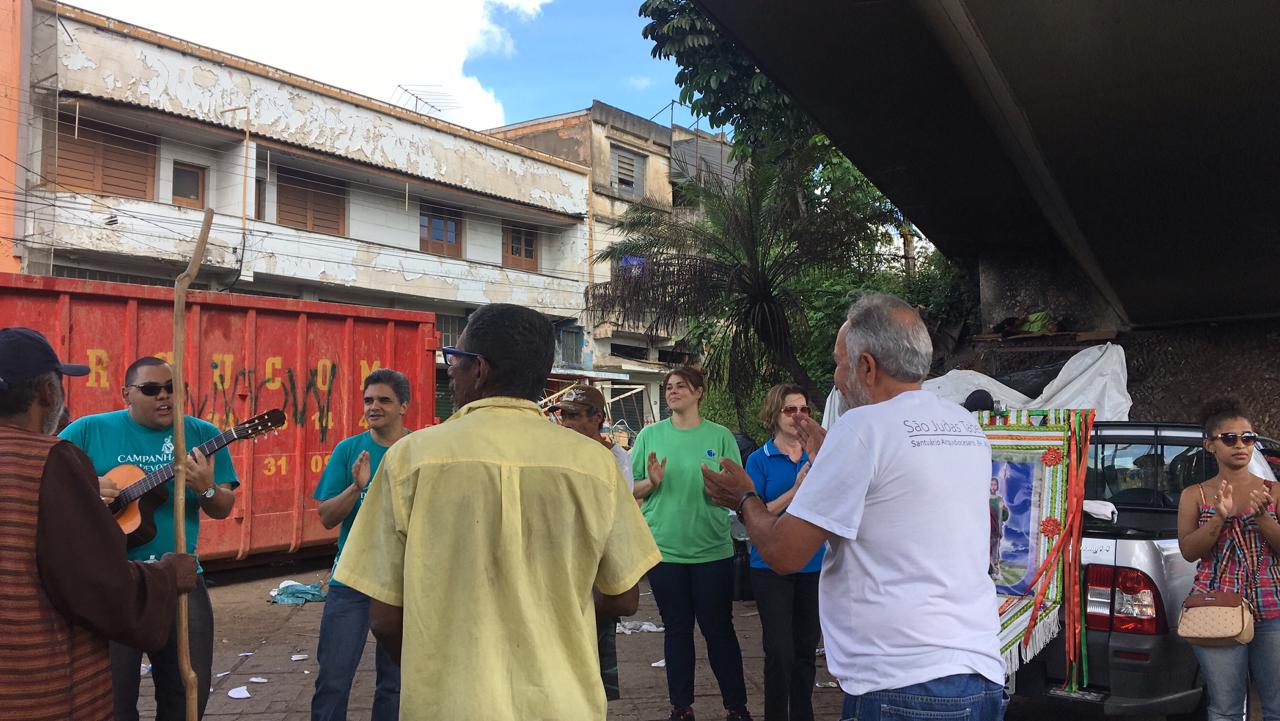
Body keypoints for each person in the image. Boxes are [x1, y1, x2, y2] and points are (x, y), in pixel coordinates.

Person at [334, 303, 660, 721]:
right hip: (564, 703)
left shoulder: (410, 460)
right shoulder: (594, 465)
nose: (449, 370)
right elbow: (624, 597)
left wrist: (435, 668)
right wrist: (552, 621)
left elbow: (383, 617)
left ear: (480, 370)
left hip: (446, 705)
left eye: (456, 360)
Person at [703, 293, 1006, 721]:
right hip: (979, 674)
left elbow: (784, 554)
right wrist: (831, 460)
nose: (836, 375)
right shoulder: (963, 426)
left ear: (867, 366)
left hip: (899, 685)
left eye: (840, 361)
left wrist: (744, 496)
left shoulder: (862, 428)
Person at [0, 327, 197, 721]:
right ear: (45, 393)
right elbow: (99, 586)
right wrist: (167, 575)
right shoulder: (51, 460)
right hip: (37, 689)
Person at [60, 355, 240, 721]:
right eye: (151, 389)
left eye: (173, 388)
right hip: (113, 584)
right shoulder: (87, 430)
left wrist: (205, 489)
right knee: (111, 699)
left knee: (187, 697)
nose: (165, 396)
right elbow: (49, 479)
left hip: (181, 582)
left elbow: (222, 507)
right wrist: (89, 488)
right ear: (126, 393)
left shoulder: (202, 435)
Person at [631, 365, 751, 721]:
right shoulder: (649, 436)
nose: (673, 392)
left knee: (719, 629)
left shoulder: (720, 437)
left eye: (681, 386)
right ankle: (681, 707)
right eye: (669, 387)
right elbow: (630, 489)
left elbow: (738, 490)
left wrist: (722, 492)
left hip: (712, 549)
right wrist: (651, 482)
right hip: (666, 549)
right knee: (677, 630)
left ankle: (737, 706)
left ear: (699, 392)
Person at [310, 369, 410, 721]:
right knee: (334, 679)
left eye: (384, 400)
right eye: (369, 400)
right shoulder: (349, 450)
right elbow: (326, 516)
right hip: (350, 581)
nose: (374, 407)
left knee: (395, 684)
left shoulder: (418, 451)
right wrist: (356, 487)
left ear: (403, 407)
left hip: (401, 583)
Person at [1176, 398, 1280, 721]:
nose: (1241, 445)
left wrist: (1263, 518)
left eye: (1248, 438)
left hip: (1272, 604)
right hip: (1215, 607)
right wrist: (1218, 517)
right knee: (1224, 709)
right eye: (1230, 438)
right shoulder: (1196, 495)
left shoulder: (1273, 491)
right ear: (1210, 445)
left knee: (1277, 705)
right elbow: (1189, 550)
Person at [743, 383, 822, 721]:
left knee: (805, 651)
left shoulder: (819, 456)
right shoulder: (758, 460)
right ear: (774, 415)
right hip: (770, 564)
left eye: (804, 409)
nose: (798, 416)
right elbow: (757, 513)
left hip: (813, 563)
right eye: (790, 410)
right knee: (779, 651)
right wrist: (796, 490)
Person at [551, 383, 635, 701]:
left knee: (594, 655)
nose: (567, 423)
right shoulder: (555, 451)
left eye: (574, 415)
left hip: (596, 568)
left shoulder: (614, 458)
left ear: (597, 417)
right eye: (564, 416)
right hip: (559, 564)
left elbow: (617, 516)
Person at [989, 477, 1009, 581]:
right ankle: (987, 572)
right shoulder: (985, 499)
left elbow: (1005, 517)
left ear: (997, 487)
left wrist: (1003, 509)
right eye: (991, 484)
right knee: (985, 553)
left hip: (996, 532)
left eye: (994, 485)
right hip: (986, 532)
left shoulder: (999, 500)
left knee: (995, 554)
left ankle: (995, 572)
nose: (993, 487)